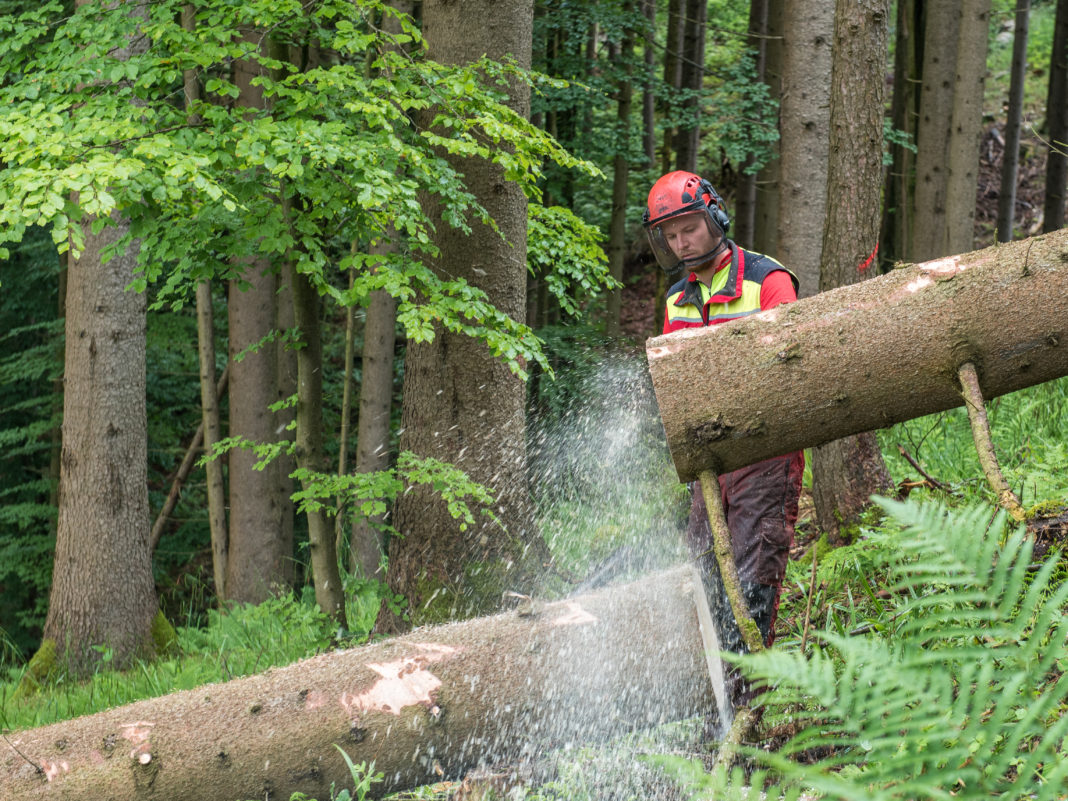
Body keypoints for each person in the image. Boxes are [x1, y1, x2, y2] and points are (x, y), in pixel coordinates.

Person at [643, 170, 804, 711]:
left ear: (714, 217)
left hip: (764, 451)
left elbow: (794, 366)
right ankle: (717, 704)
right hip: (709, 463)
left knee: (754, 578)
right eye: (670, 235)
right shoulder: (676, 298)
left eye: (688, 227)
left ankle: (749, 711)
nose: (681, 242)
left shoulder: (767, 281)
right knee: (705, 578)